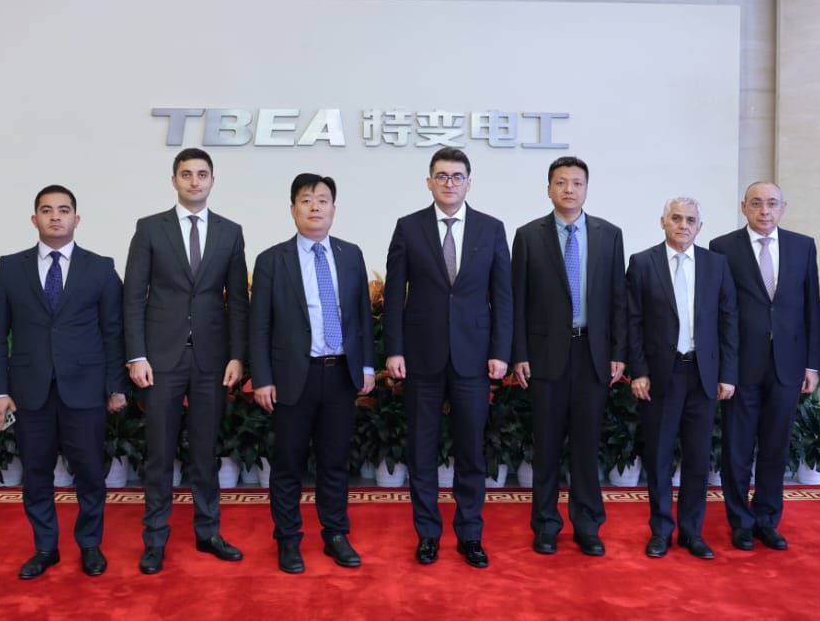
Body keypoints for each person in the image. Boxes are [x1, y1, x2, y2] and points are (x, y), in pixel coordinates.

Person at [0, 185, 127, 580]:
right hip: (30, 392)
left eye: (63, 210)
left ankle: (90, 544)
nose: (55, 217)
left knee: (90, 472)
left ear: (76, 219)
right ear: (35, 219)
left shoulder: (100, 268)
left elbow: (114, 332)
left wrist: (116, 386)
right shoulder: (10, 269)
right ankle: (45, 547)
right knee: (36, 473)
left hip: (86, 389)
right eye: (47, 210)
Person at [383, 147, 512, 569]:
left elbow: (504, 297)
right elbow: (394, 294)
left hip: (474, 359)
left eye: (457, 176)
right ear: (429, 182)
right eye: (441, 176)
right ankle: (427, 535)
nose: (449, 183)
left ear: (469, 183)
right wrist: (394, 349)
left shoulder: (491, 229)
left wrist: (501, 352)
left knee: (471, 452)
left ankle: (470, 535)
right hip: (421, 357)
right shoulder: (408, 228)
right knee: (422, 451)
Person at [123, 148, 249, 574]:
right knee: (159, 452)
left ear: (212, 180)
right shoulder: (149, 229)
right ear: (174, 180)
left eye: (202, 174)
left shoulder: (230, 232)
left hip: (211, 359)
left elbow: (238, 301)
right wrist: (137, 355)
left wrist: (237, 355)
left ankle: (208, 531)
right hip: (160, 358)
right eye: (186, 174)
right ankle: (155, 538)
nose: (195, 181)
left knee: (205, 450)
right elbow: (133, 296)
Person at [249, 173, 375, 574]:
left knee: (335, 462)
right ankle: (288, 538)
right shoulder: (272, 260)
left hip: (339, 375)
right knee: (288, 463)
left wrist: (366, 365)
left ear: (334, 209)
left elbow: (362, 316)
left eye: (323, 199)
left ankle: (335, 533)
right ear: (293, 209)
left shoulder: (351, 255)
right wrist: (262, 378)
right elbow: (259, 325)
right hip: (292, 377)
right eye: (306, 200)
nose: (315, 206)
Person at [511, 156, 626, 557]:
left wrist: (618, 351)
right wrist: (519, 353)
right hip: (545, 356)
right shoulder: (528, 236)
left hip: (593, 354)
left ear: (586, 189)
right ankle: (546, 525)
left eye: (577, 183)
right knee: (545, 446)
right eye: (561, 182)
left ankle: (588, 526)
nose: (569, 190)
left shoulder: (609, 235)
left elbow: (618, 299)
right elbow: (517, 301)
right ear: (549, 189)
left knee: (586, 445)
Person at [709, 181, 820, 552]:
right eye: (756, 203)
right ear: (744, 207)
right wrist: (722, 367)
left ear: (783, 208)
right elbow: (719, 311)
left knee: (776, 447)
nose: (764, 211)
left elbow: (812, 307)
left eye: (772, 203)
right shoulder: (723, 247)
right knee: (737, 448)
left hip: (787, 364)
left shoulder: (803, 246)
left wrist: (812, 364)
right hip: (741, 365)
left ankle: (767, 520)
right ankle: (740, 522)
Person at [626, 196, 737, 560]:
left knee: (698, 457)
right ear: (663, 222)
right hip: (661, 375)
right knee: (659, 456)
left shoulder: (716, 264)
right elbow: (633, 322)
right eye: (676, 218)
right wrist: (639, 371)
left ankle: (692, 532)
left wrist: (727, 374)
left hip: (703, 375)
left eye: (690, 220)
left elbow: (728, 321)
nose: (683, 225)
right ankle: (661, 531)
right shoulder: (642, 263)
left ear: (699, 227)